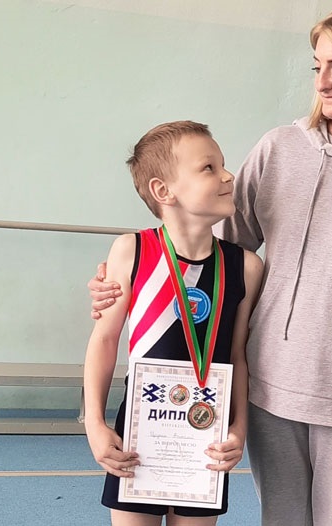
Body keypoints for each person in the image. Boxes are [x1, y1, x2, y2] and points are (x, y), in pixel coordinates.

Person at [88, 3, 332, 525]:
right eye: (318, 66)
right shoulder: (279, 150)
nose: (321, 83)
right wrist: (122, 282)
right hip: (270, 387)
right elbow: (211, 259)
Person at [83, 120, 263, 526]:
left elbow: (238, 355)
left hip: (205, 434)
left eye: (223, 165)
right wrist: (94, 422)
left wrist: (238, 428)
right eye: (209, 168)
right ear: (163, 191)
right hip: (139, 433)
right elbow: (105, 340)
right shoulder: (132, 250)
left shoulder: (246, 267)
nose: (228, 176)